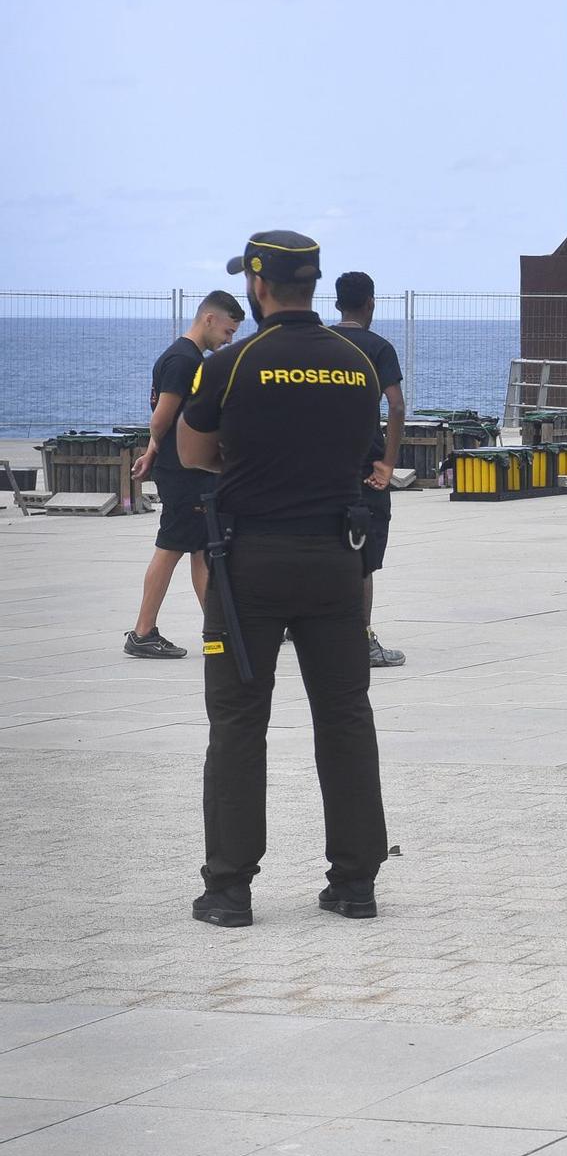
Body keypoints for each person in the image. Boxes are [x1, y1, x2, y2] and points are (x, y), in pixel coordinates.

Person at [178, 230, 387, 929]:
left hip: (251, 565)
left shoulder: (234, 364)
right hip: (337, 560)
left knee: (238, 722)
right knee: (346, 716)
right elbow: (367, 453)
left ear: (258, 286)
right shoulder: (356, 363)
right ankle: (355, 883)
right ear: (314, 285)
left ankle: (230, 890)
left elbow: (194, 452)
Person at [124, 290, 243, 658]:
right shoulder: (183, 361)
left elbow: (168, 421)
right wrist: (158, 450)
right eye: (227, 331)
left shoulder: (183, 357)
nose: (229, 340)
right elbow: (162, 417)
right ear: (209, 319)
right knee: (172, 546)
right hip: (185, 471)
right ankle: (143, 632)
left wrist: (150, 453)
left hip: (184, 466)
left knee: (202, 549)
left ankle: (219, 627)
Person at [330, 270, 406, 668]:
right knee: (362, 555)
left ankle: (305, 627)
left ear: (336, 302)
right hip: (363, 466)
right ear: (370, 303)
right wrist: (388, 462)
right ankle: (361, 639)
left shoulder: (319, 343)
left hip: (318, 466)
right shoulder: (377, 348)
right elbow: (395, 405)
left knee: (319, 546)